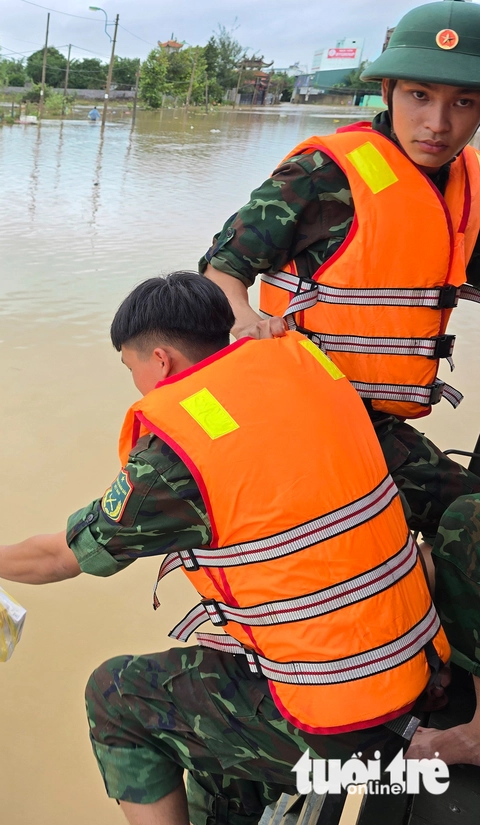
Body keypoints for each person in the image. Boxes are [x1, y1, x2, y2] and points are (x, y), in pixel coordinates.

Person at [0, 272, 449, 825]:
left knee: (117, 695)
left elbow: (64, 556)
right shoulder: (303, 371)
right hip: (418, 668)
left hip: (337, 721)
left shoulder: (176, 459)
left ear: (159, 360)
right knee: (208, 674)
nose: (134, 381)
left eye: (131, 366)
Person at [199, 0, 480, 765]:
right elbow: (222, 267)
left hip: (381, 421)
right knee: (469, 524)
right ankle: (466, 726)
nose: (439, 122)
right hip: (317, 422)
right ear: (387, 93)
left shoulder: (463, 185)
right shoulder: (325, 173)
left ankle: (433, 655)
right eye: (420, 96)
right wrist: (245, 317)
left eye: (463, 103)